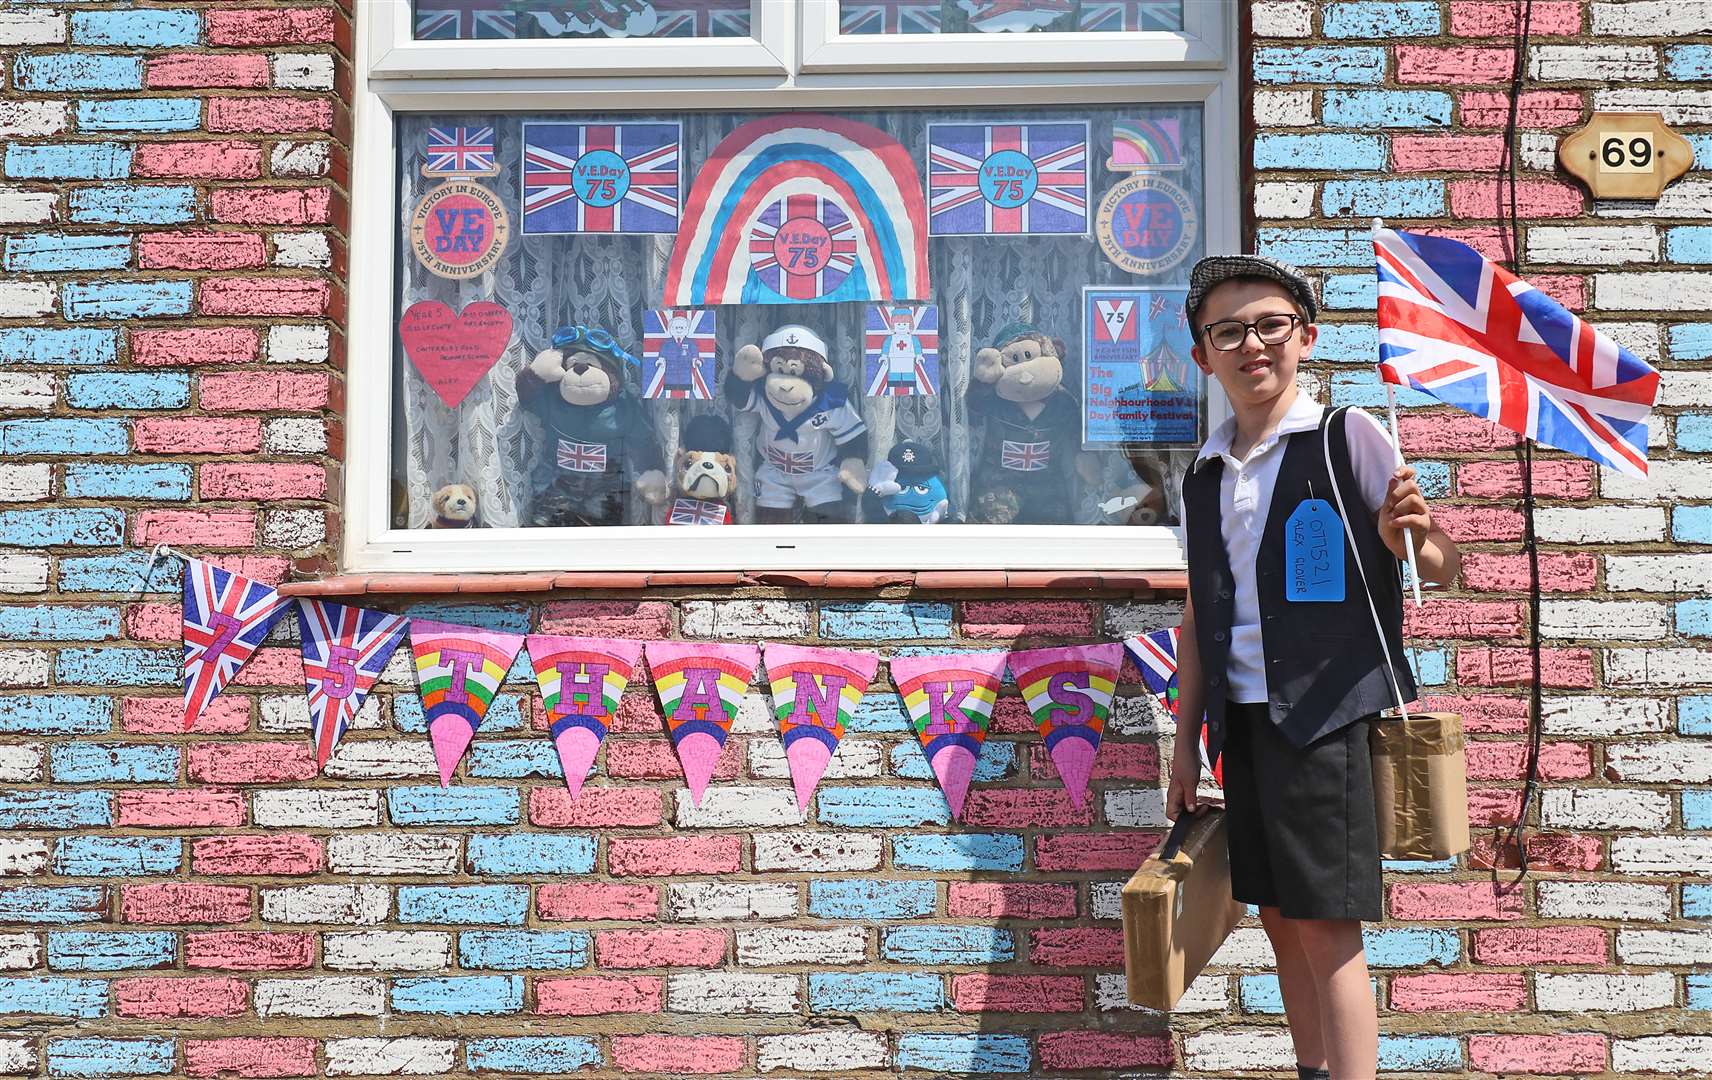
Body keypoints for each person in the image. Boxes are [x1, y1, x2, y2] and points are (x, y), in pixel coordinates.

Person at [1164, 255, 1461, 1080]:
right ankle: (1313, 1070)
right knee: (1277, 917)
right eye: (1228, 331)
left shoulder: (1347, 436)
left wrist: (1417, 529)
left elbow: (1438, 566)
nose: (1252, 344)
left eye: (1270, 325)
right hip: (1244, 721)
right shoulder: (1203, 473)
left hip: (1326, 714)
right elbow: (1197, 619)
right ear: (1203, 355)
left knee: (1327, 923)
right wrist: (1185, 747)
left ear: (1306, 337)